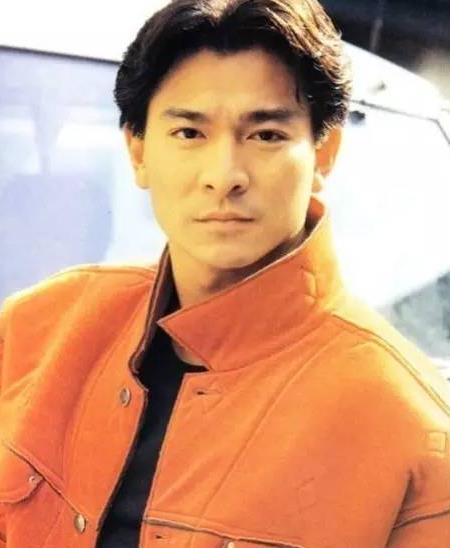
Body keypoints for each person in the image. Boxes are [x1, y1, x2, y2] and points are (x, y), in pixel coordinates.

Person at [0, 0, 449, 546]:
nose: (224, 175)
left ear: (324, 154)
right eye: (190, 133)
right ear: (137, 151)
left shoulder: (411, 426)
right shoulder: (35, 330)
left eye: (266, 135)